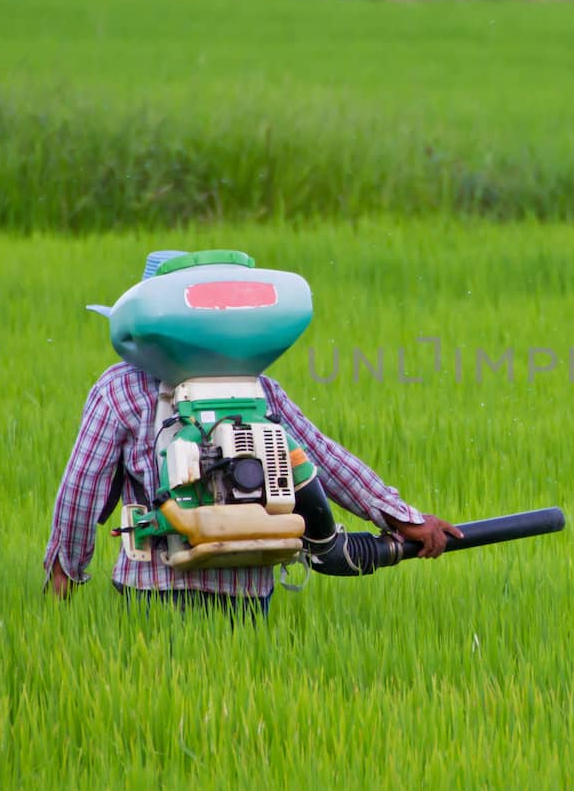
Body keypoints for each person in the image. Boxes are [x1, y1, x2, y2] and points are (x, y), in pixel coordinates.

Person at [43, 253, 460, 614]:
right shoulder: (257, 390)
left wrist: (67, 570)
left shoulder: (118, 388)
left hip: (153, 588)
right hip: (244, 590)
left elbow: (81, 487)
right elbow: (323, 460)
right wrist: (400, 515)